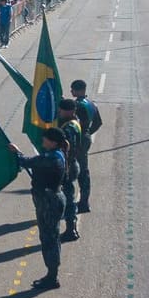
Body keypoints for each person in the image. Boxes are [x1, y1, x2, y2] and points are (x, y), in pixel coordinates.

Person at [10, 128, 68, 291]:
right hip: (52, 198)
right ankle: (52, 274)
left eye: (46, 138)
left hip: (49, 202)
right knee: (52, 237)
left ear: (53, 142)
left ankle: (52, 277)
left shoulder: (51, 158)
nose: (43, 140)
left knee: (49, 239)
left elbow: (28, 162)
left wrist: (17, 152)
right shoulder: (58, 154)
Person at [70, 79, 102, 212]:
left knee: (78, 170)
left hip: (78, 139)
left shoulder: (77, 105)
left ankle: (81, 203)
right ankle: (84, 201)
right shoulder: (91, 104)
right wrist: (88, 133)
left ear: (78, 90)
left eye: (73, 89)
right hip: (85, 137)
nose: (71, 91)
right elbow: (98, 122)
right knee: (84, 169)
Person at [56, 100, 85, 240]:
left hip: (69, 166)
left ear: (69, 111)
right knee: (68, 197)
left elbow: (68, 146)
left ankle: (71, 230)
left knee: (68, 199)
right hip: (73, 163)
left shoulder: (69, 128)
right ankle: (71, 227)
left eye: (61, 110)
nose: (59, 112)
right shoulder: (74, 121)